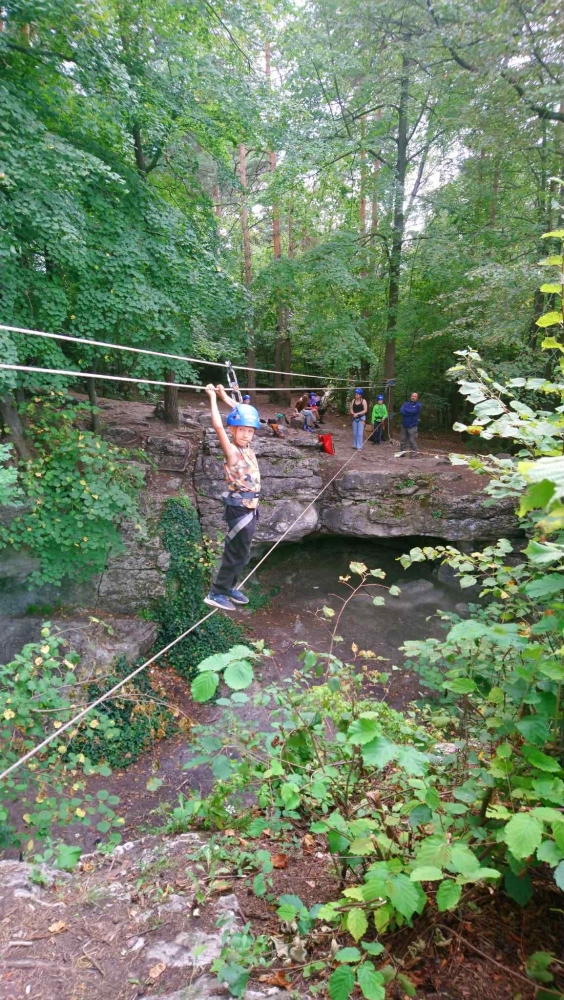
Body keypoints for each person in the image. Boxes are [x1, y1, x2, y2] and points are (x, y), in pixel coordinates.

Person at [204, 384, 261, 611]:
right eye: (242, 430)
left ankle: (228, 587)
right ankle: (217, 592)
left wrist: (224, 395)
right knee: (236, 552)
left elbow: (243, 411)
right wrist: (212, 398)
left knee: (243, 553)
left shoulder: (247, 447)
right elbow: (218, 425)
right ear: (233, 430)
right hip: (239, 508)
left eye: (250, 431)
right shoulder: (233, 452)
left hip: (250, 507)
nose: (246, 434)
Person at [399, 392, 422, 456]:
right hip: (404, 425)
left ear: (417, 398)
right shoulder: (406, 404)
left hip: (412, 426)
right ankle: (402, 453)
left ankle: (414, 454)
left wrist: (406, 410)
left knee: (412, 440)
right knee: (403, 439)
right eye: (412, 396)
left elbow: (415, 411)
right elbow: (401, 411)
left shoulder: (418, 405)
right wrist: (410, 413)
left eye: (415, 396)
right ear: (410, 396)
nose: (413, 397)